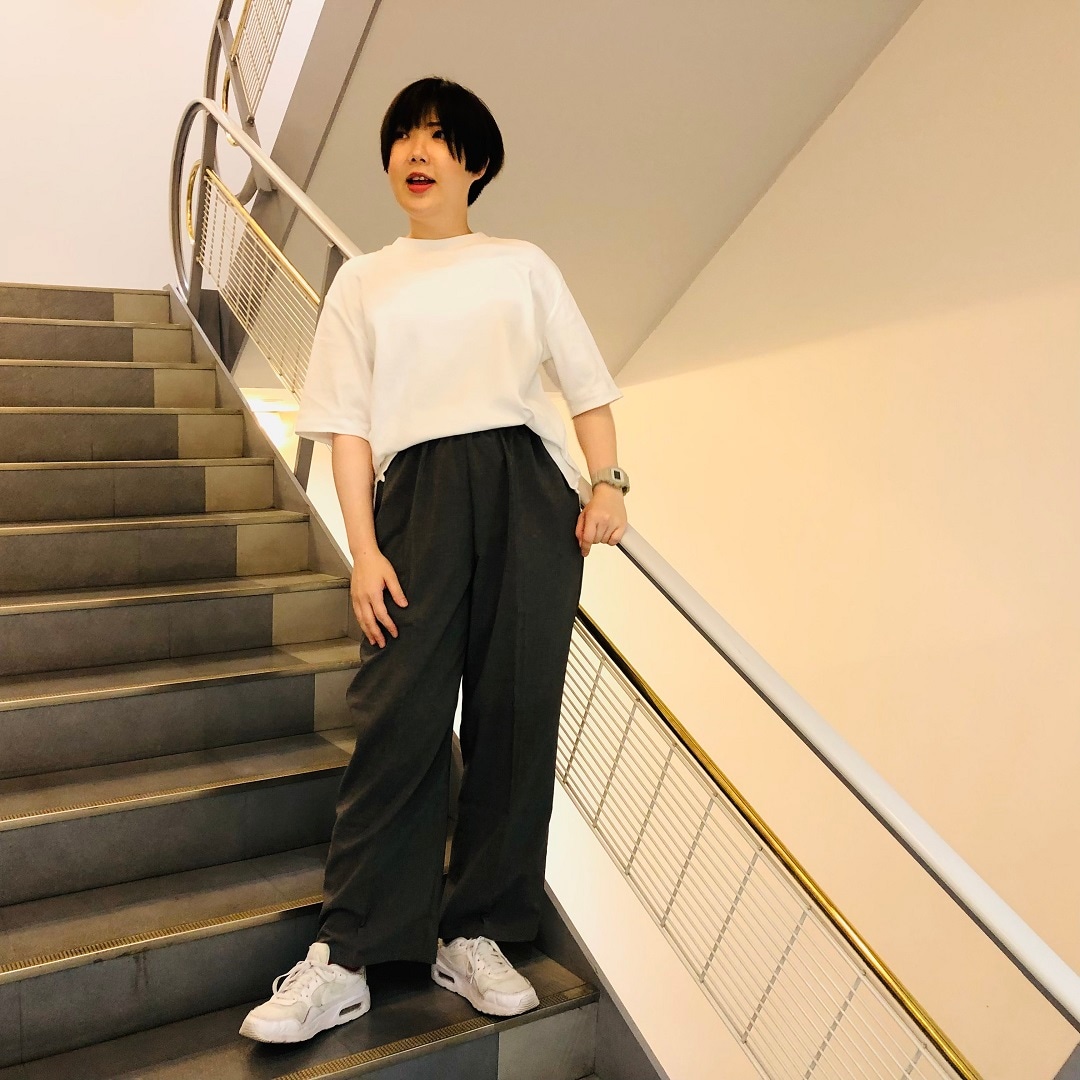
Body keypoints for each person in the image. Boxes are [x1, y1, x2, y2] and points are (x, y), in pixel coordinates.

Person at [239, 75, 629, 1045]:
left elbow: (585, 386)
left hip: (528, 492)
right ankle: (348, 954)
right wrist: (363, 549)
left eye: (439, 137)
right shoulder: (363, 280)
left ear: (476, 162)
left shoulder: (520, 263)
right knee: (399, 717)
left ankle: (478, 931)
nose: (416, 151)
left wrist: (609, 481)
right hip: (415, 497)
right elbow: (348, 429)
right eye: (403, 137)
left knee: (515, 715)